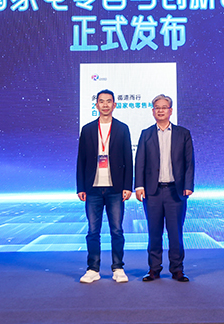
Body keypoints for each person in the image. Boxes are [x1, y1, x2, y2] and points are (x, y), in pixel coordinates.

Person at [135, 94, 195, 282]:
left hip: (175, 191)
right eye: (157, 107)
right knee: (154, 232)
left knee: (175, 233)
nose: (160, 110)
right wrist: (139, 186)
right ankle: (154, 269)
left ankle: (177, 269)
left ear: (171, 110)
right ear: (153, 111)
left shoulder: (183, 133)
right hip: (152, 192)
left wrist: (188, 185)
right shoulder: (146, 134)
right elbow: (140, 162)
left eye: (164, 107)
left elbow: (189, 162)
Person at [77, 89, 133, 283]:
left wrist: (128, 186)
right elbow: (81, 160)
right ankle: (93, 269)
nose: (105, 105)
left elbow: (128, 158)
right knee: (93, 231)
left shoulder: (122, 128)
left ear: (114, 105)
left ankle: (118, 268)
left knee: (116, 230)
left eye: (109, 101)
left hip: (115, 188)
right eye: (102, 101)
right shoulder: (87, 129)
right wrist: (80, 187)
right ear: (96, 105)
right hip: (92, 188)